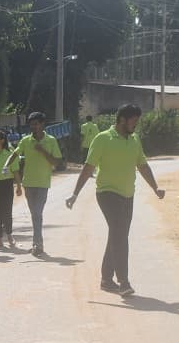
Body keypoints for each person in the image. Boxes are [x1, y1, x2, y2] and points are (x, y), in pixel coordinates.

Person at [66, 104, 165, 297]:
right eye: (133, 121)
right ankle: (123, 281)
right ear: (122, 120)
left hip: (128, 194)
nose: (136, 125)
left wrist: (155, 187)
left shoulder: (135, 139)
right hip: (107, 193)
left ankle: (105, 279)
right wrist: (75, 193)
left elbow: (143, 166)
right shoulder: (102, 138)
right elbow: (88, 167)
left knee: (117, 235)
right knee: (120, 234)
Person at [5, 111, 62, 256]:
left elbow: (56, 162)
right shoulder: (25, 140)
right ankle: (37, 244)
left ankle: (38, 244)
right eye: (31, 125)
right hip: (28, 183)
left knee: (37, 213)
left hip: (43, 183)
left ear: (42, 124)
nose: (33, 127)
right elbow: (15, 154)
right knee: (34, 214)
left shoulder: (51, 140)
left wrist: (42, 151)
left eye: (36, 124)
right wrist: (5, 166)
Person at [0, 129, 16, 247]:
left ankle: (9, 235)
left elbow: (15, 171)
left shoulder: (9, 153)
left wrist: (19, 186)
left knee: (7, 211)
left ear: (2, 140)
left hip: (7, 184)